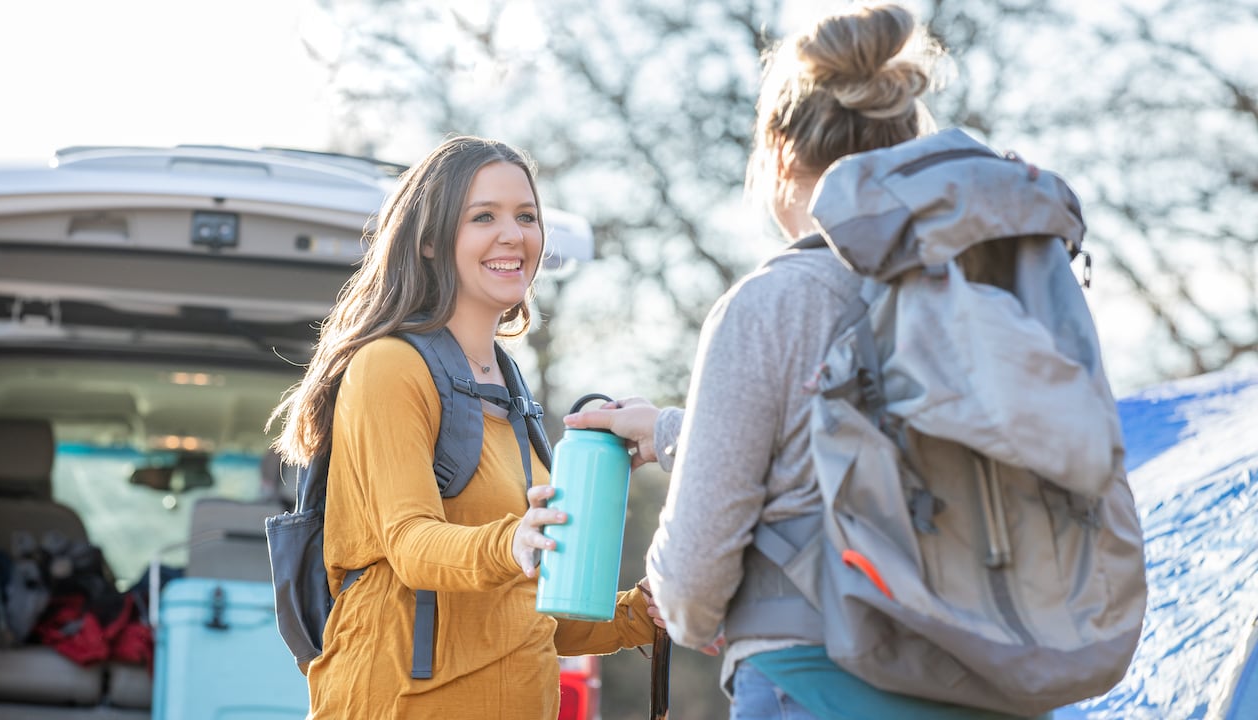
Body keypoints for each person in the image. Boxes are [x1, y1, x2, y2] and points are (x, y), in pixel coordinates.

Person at [564, 4, 1053, 719]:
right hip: (988, 683)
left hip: (815, 684)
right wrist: (674, 431)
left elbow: (692, 581)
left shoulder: (772, 303)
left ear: (780, 151)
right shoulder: (985, 288)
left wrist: (698, 613)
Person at [268, 136, 658, 719]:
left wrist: (639, 615)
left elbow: (522, 611)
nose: (513, 234)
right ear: (428, 240)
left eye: (526, 216)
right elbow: (411, 545)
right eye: (484, 217)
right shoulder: (389, 366)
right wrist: (514, 541)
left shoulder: (513, 392)